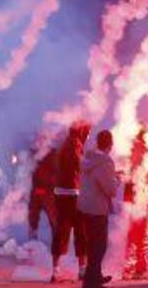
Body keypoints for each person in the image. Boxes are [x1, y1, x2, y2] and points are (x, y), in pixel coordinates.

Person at [77, 130, 120, 288]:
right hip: (97, 209)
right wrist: (117, 179)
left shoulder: (88, 159)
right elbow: (110, 190)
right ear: (110, 144)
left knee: (92, 244)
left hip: (85, 207)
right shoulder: (105, 162)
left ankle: (94, 276)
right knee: (99, 246)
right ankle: (91, 281)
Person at [51, 120, 91, 282]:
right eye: (87, 133)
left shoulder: (65, 144)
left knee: (60, 231)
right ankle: (82, 270)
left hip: (61, 194)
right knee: (80, 232)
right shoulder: (75, 144)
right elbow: (80, 166)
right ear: (81, 132)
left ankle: (55, 270)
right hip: (73, 195)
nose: (88, 137)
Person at [122, 126, 148, 281]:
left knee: (130, 234)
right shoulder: (145, 151)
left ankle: (127, 269)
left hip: (129, 196)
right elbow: (147, 174)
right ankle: (140, 269)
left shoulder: (128, 150)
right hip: (140, 194)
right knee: (143, 233)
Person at [28, 143, 58, 241]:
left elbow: (55, 175)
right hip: (37, 193)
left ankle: (57, 243)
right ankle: (32, 241)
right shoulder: (34, 154)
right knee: (33, 217)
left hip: (48, 193)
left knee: (53, 219)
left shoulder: (53, 155)